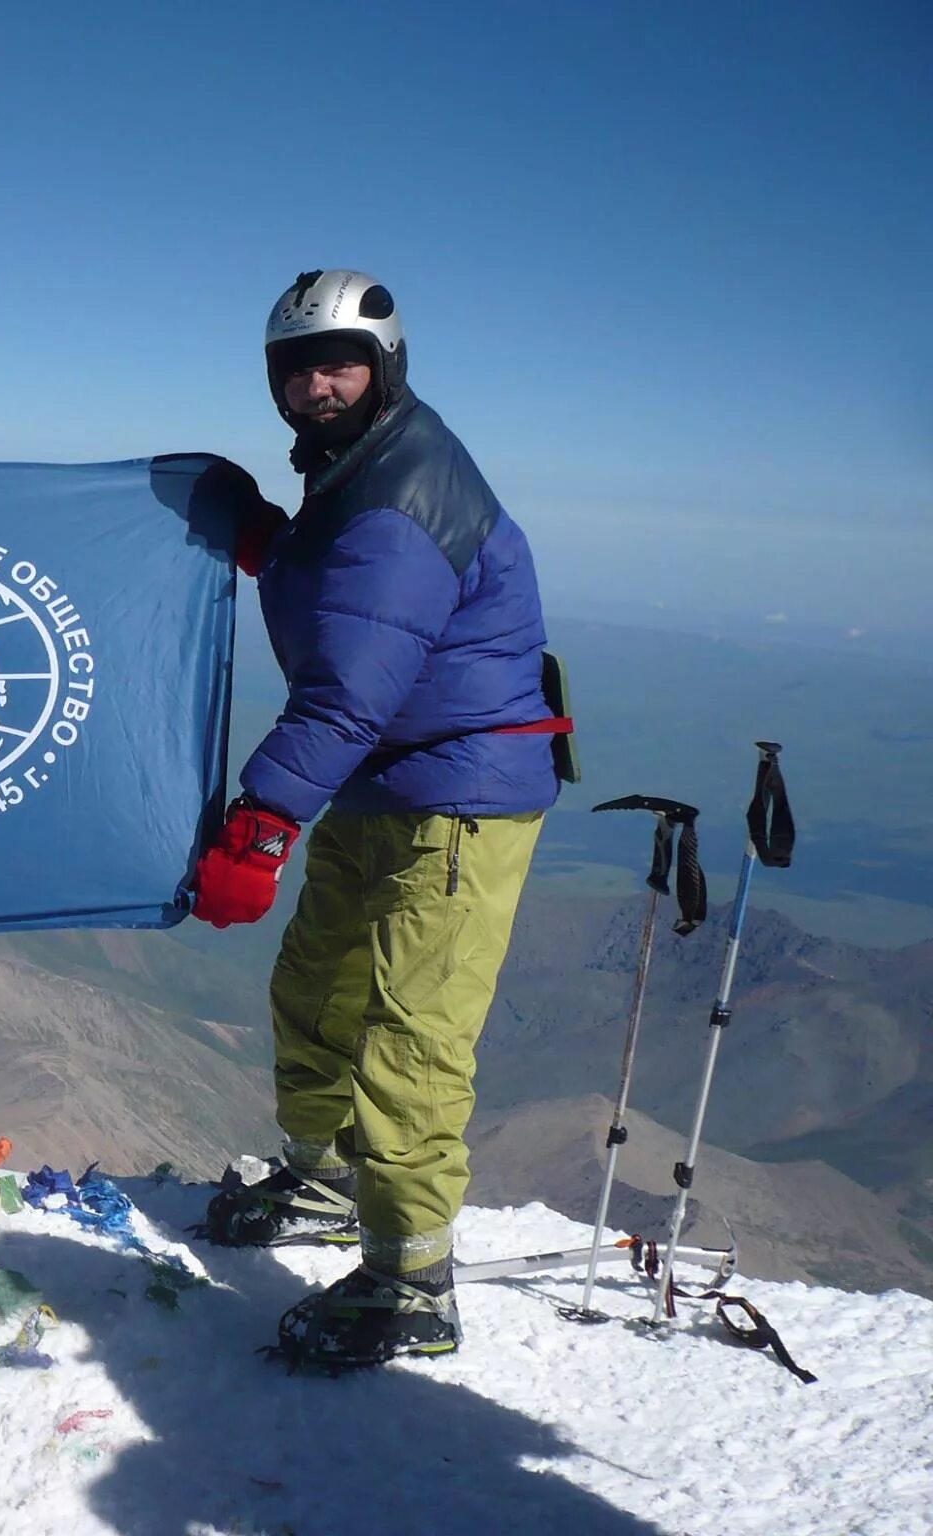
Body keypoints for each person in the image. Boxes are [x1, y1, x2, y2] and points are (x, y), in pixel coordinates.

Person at [191, 271, 567, 1369]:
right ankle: (319, 1183)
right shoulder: (355, 470)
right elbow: (352, 598)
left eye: (337, 362)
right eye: (295, 366)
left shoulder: (400, 491)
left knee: (408, 1037)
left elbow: (351, 682)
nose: (314, 383)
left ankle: (410, 1282)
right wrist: (271, 539)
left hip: (455, 798)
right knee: (315, 985)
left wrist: (257, 828)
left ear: (383, 367)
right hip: (384, 777)